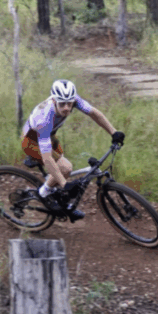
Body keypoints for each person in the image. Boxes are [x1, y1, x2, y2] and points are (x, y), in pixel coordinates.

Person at [21, 79, 124, 220]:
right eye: (62, 104)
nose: (66, 108)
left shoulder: (72, 99)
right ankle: (43, 194)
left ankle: (59, 199)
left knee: (63, 169)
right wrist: (65, 185)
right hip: (31, 140)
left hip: (50, 135)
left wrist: (114, 132)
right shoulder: (44, 118)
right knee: (65, 168)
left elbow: (94, 113)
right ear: (54, 100)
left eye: (69, 103)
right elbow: (47, 158)